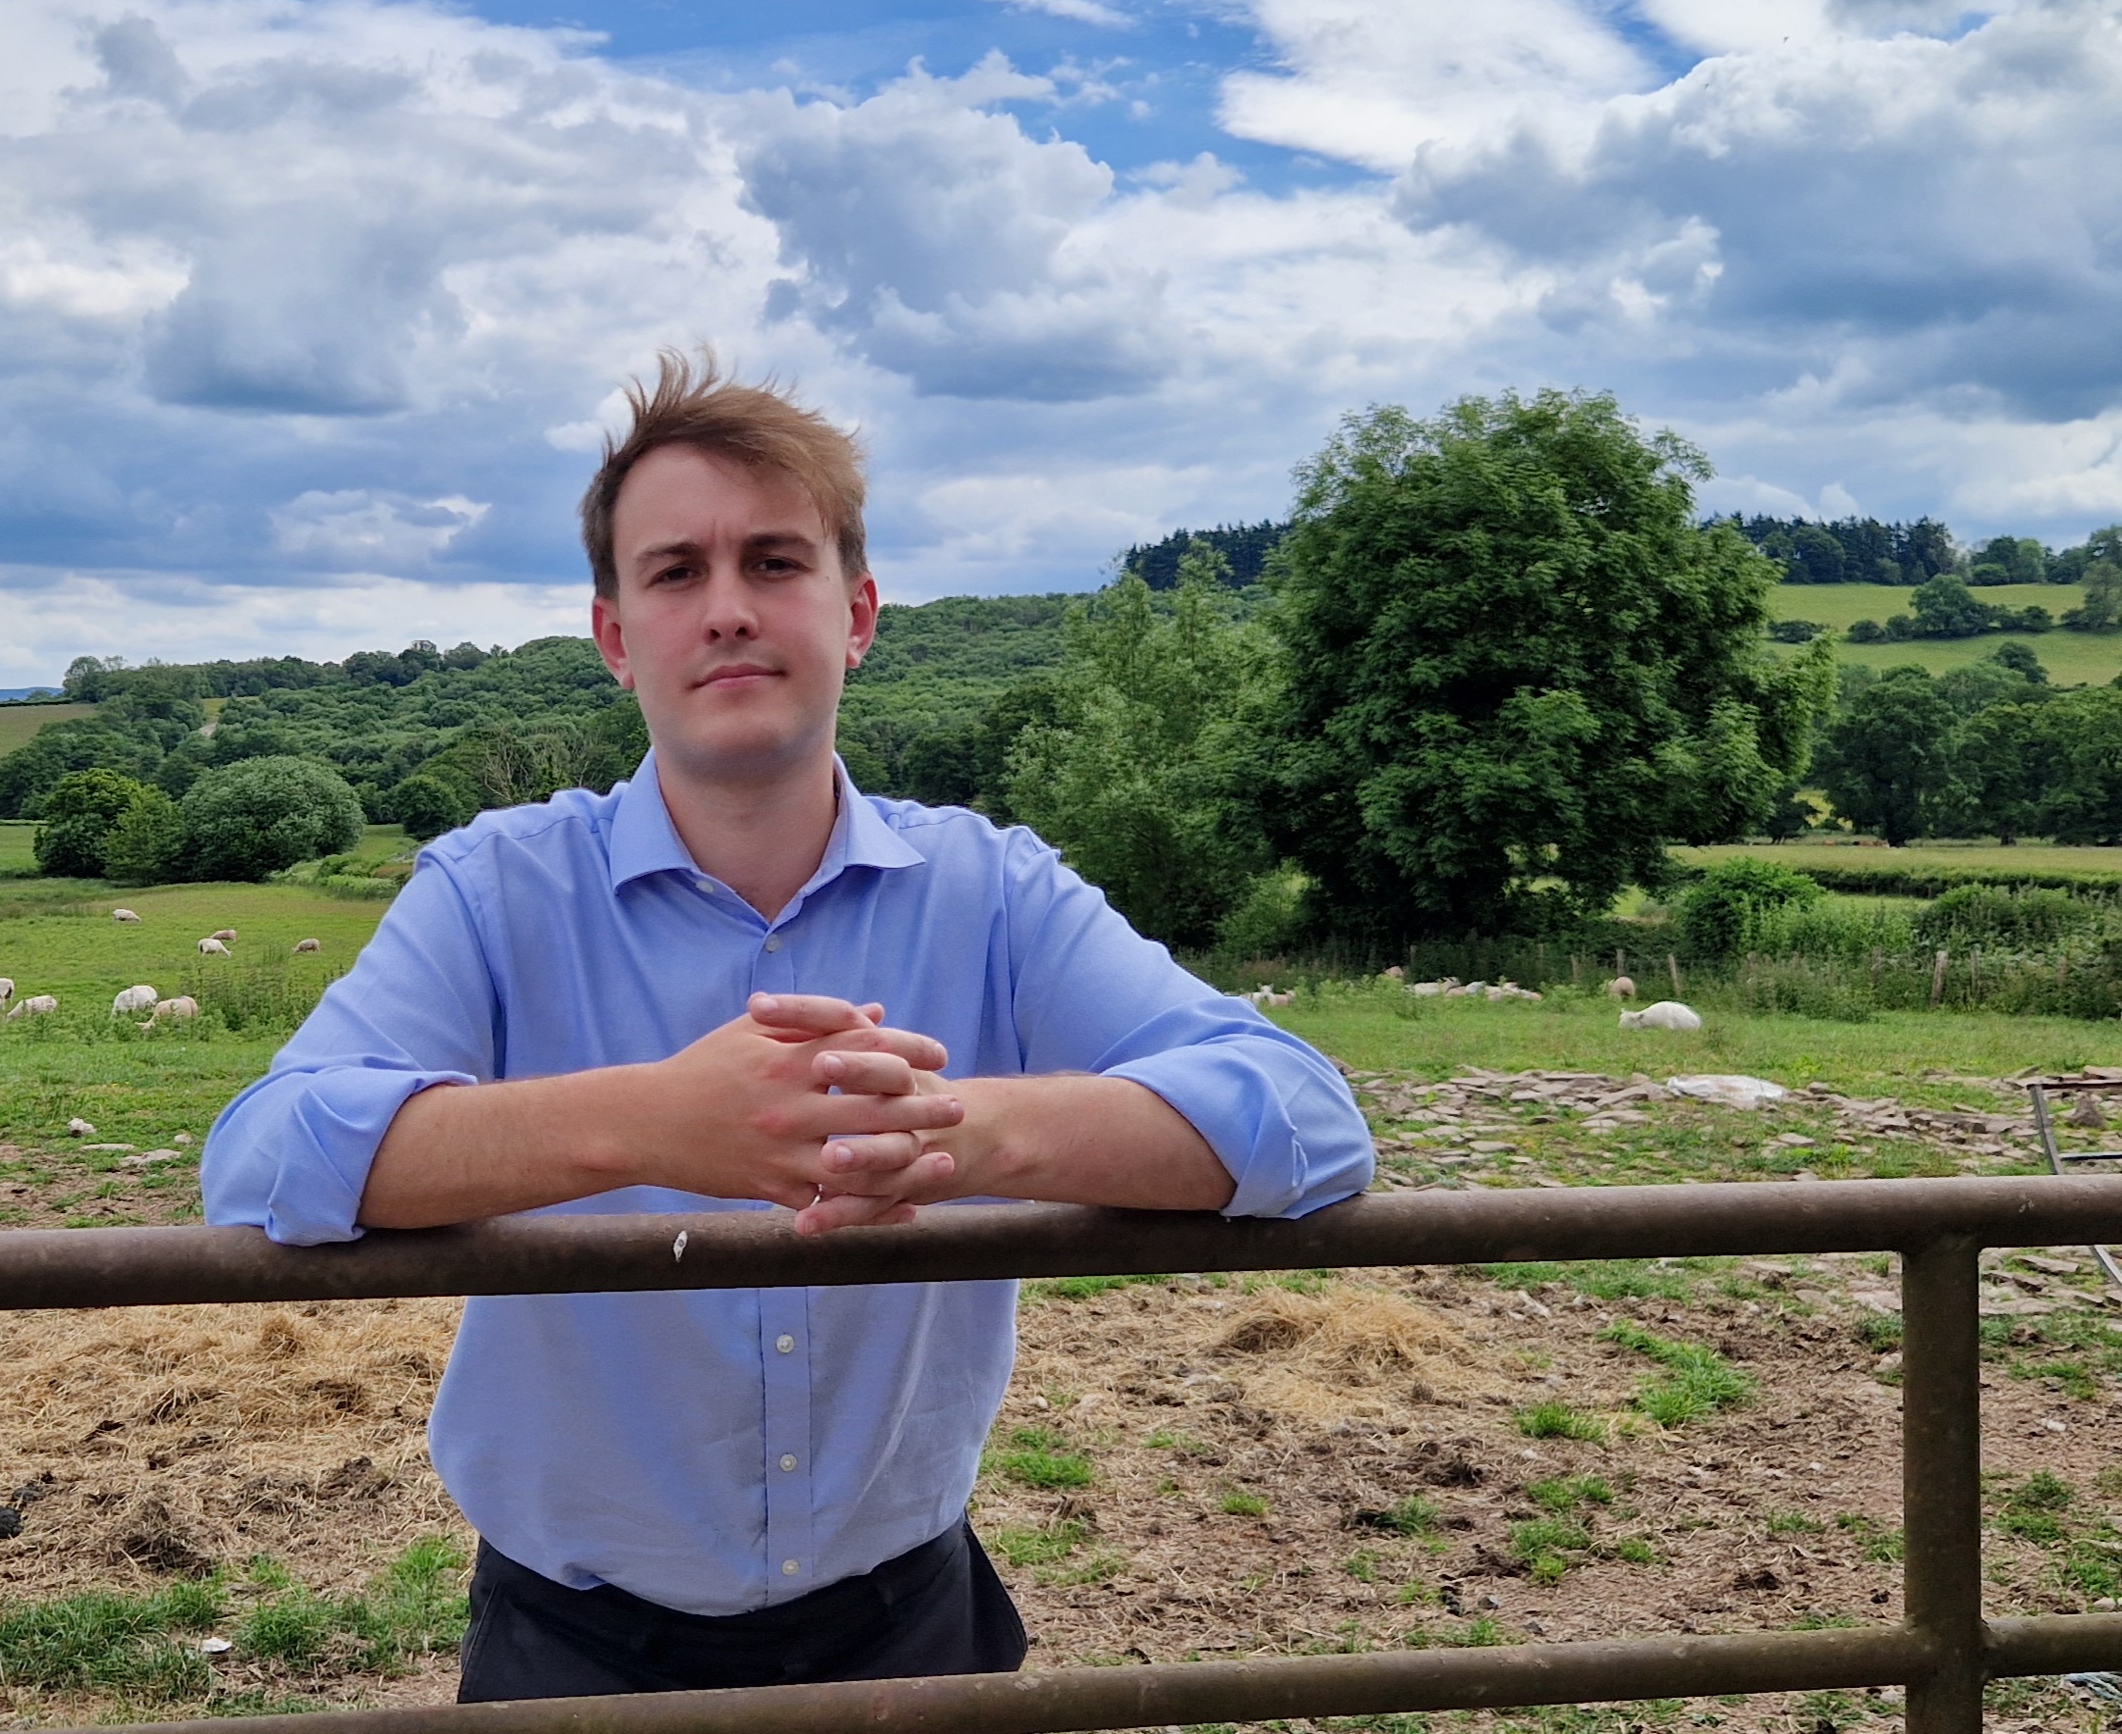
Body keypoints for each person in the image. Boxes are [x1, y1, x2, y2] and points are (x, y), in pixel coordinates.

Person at [198, 352, 1373, 1701]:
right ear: (614, 635)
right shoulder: (494, 887)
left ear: (858, 612)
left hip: (915, 1637)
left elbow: (1308, 1118)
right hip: (576, 1654)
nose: (727, 612)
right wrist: (647, 1123)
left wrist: (961, 1134)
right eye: (675, 572)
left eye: (774, 562)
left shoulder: (993, 887)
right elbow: (263, 1156)